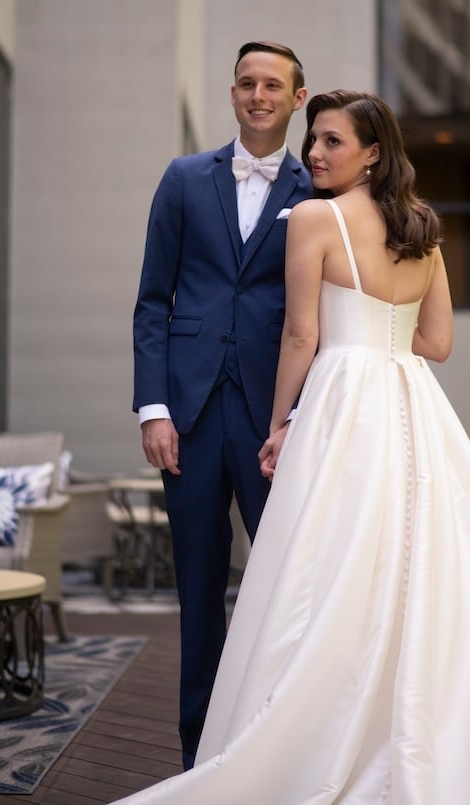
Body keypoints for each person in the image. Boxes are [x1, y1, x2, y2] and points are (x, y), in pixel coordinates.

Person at [117, 90, 470, 804]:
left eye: (330, 141)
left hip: (339, 399)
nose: (314, 153)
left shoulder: (315, 218)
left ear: (372, 153)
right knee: (418, 563)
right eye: (316, 140)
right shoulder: (423, 226)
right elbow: (438, 344)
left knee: (326, 567)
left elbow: (300, 335)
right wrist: (384, 337)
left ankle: (323, 727)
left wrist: (279, 421)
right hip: (412, 398)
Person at [132, 41, 311, 770]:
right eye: (247, 83)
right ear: (231, 94)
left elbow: (322, 313)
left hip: (277, 420)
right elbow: (152, 299)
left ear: (299, 98)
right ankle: (197, 762)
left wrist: (301, 415)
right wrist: (154, 408)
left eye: (274, 85)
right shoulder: (181, 179)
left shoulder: (318, 190)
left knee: (280, 591)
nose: (259, 95)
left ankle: (271, 750)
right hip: (192, 415)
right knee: (199, 596)